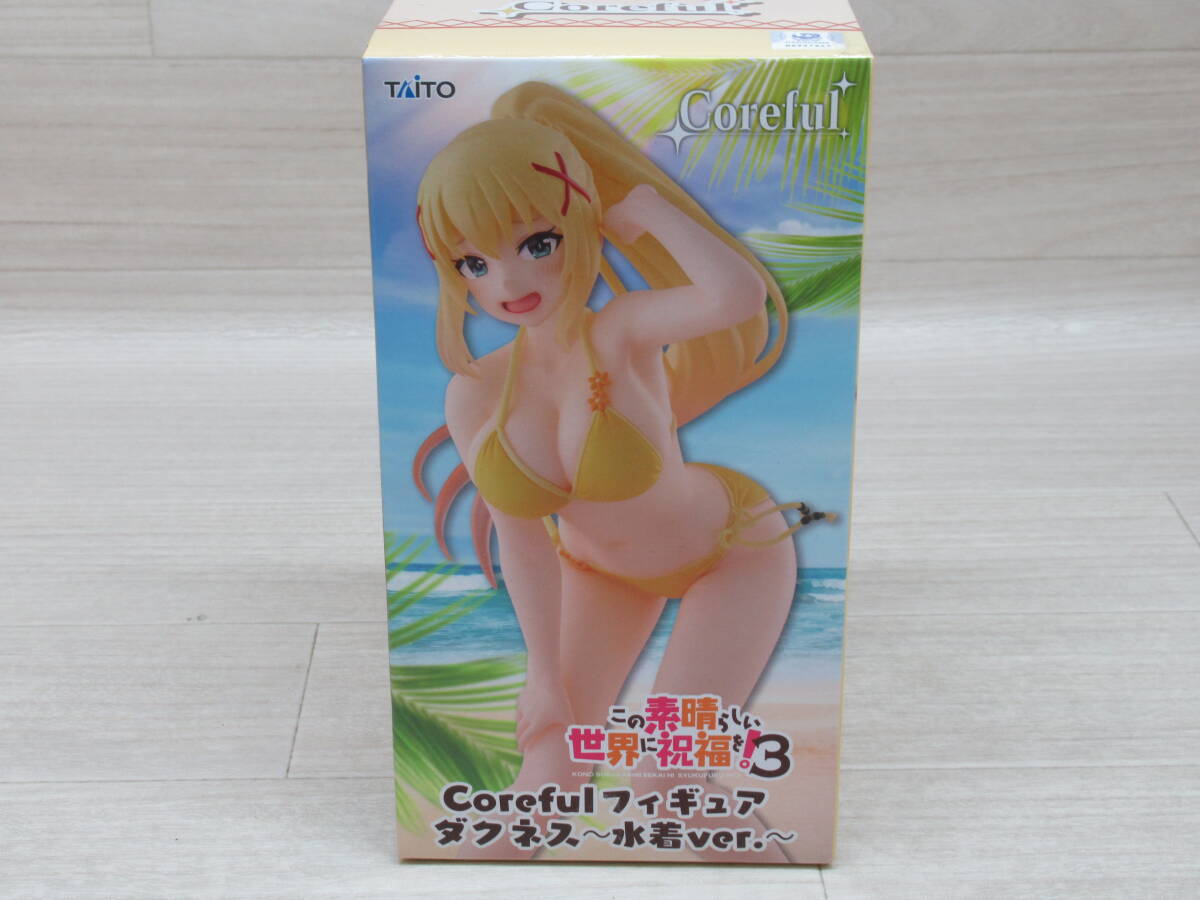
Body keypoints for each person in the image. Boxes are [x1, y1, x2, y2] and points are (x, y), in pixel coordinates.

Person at [412, 82, 832, 860]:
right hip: (599, 576)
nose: (508, 284)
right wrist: (544, 676)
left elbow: (736, 296)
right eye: (475, 261)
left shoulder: (623, 332)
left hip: (731, 551)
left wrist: (643, 209)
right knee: (541, 787)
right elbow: (524, 541)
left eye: (536, 243)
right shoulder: (475, 393)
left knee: (667, 784)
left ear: (578, 223)